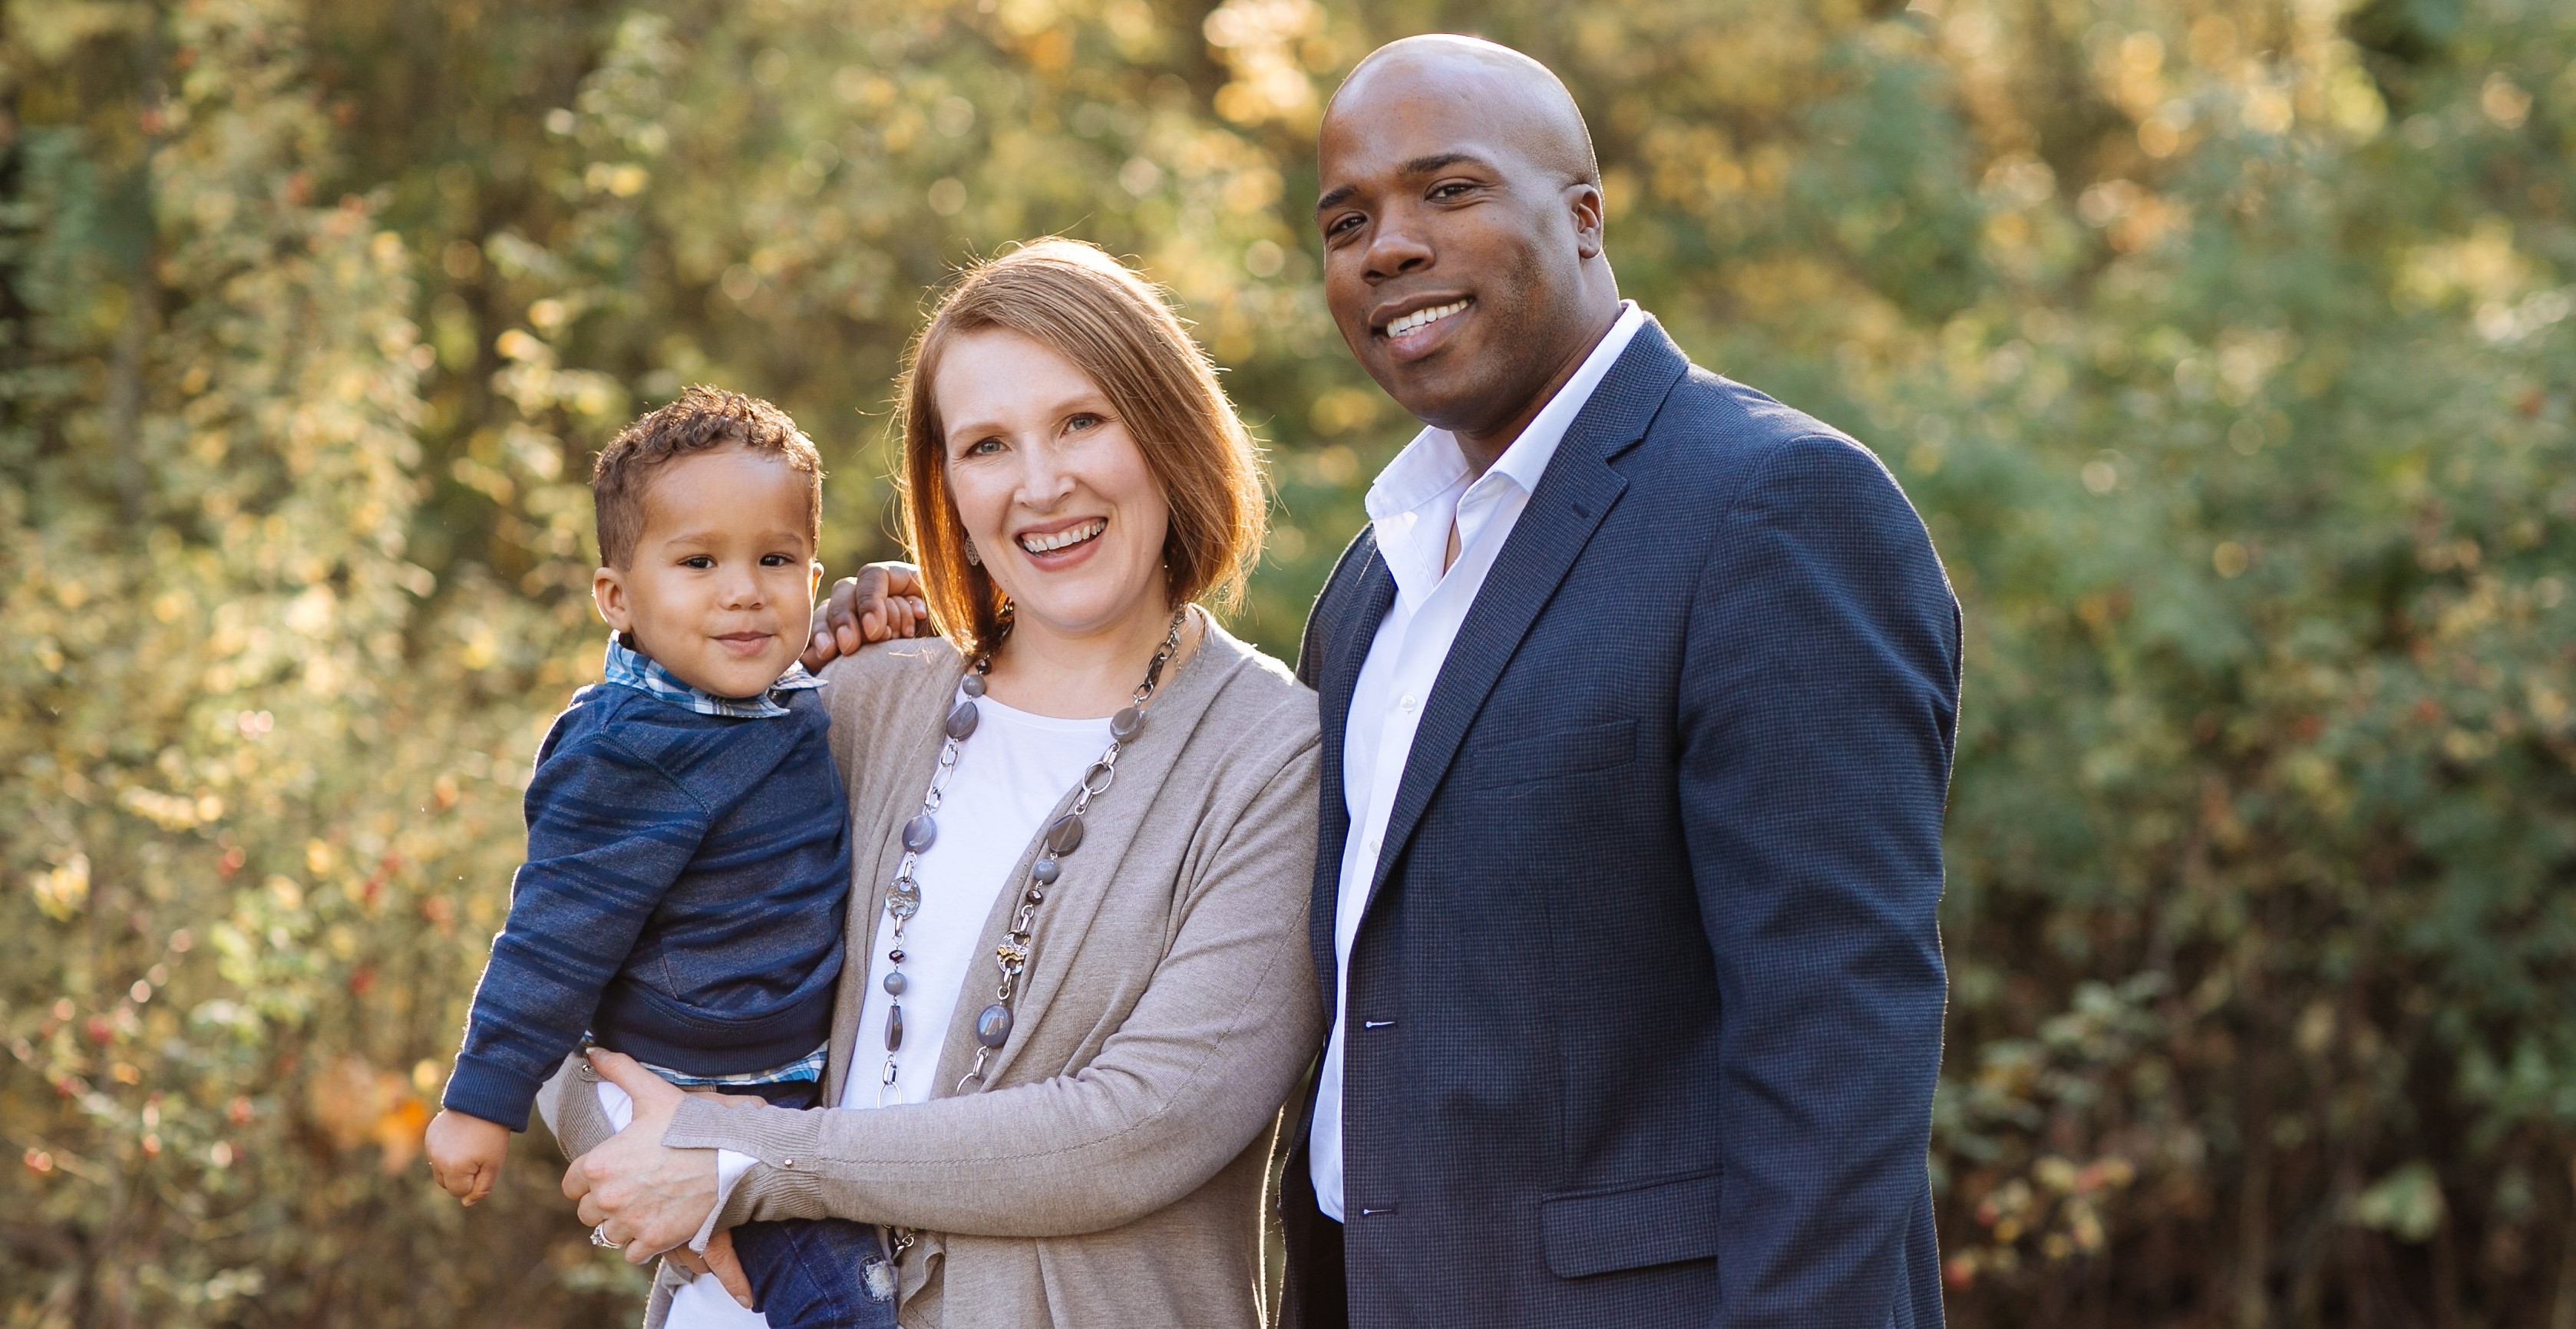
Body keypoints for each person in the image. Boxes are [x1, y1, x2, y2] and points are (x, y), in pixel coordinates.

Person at [1278, 36, 1962, 1329]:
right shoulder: (1372, 588)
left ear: (1583, 217)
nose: (1389, 246)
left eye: (1448, 190)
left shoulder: (1772, 507)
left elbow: (1837, 1048)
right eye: (1346, 220)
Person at [549, 239, 1325, 1329]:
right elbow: (569, 965)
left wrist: (743, 1160)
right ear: (946, 488)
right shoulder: (858, 699)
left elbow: (1142, 1126)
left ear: (1168, 430)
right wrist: (652, 1172)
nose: (1042, 484)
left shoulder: (1273, 756)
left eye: (1081, 422)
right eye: (987, 445)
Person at [423, 386, 898, 1327]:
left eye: (776, 558)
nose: (742, 589)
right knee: (846, 1301)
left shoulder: (773, 690)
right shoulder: (631, 744)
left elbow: (833, 646)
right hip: (696, 1097)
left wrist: (887, 594)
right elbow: (550, 937)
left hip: (788, 1088)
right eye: (697, 561)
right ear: (617, 597)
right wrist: (480, 1101)